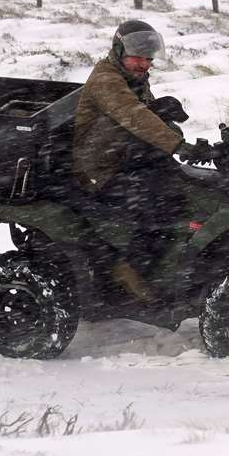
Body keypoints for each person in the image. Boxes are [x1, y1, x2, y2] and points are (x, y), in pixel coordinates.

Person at [71, 20, 211, 303]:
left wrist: (180, 137)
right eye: (138, 57)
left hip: (127, 156)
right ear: (119, 50)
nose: (143, 65)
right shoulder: (106, 80)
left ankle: (174, 265)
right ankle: (130, 270)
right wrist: (177, 145)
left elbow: (149, 116)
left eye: (148, 59)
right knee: (156, 207)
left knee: (189, 192)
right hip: (100, 168)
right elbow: (135, 116)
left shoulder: (133, 78)